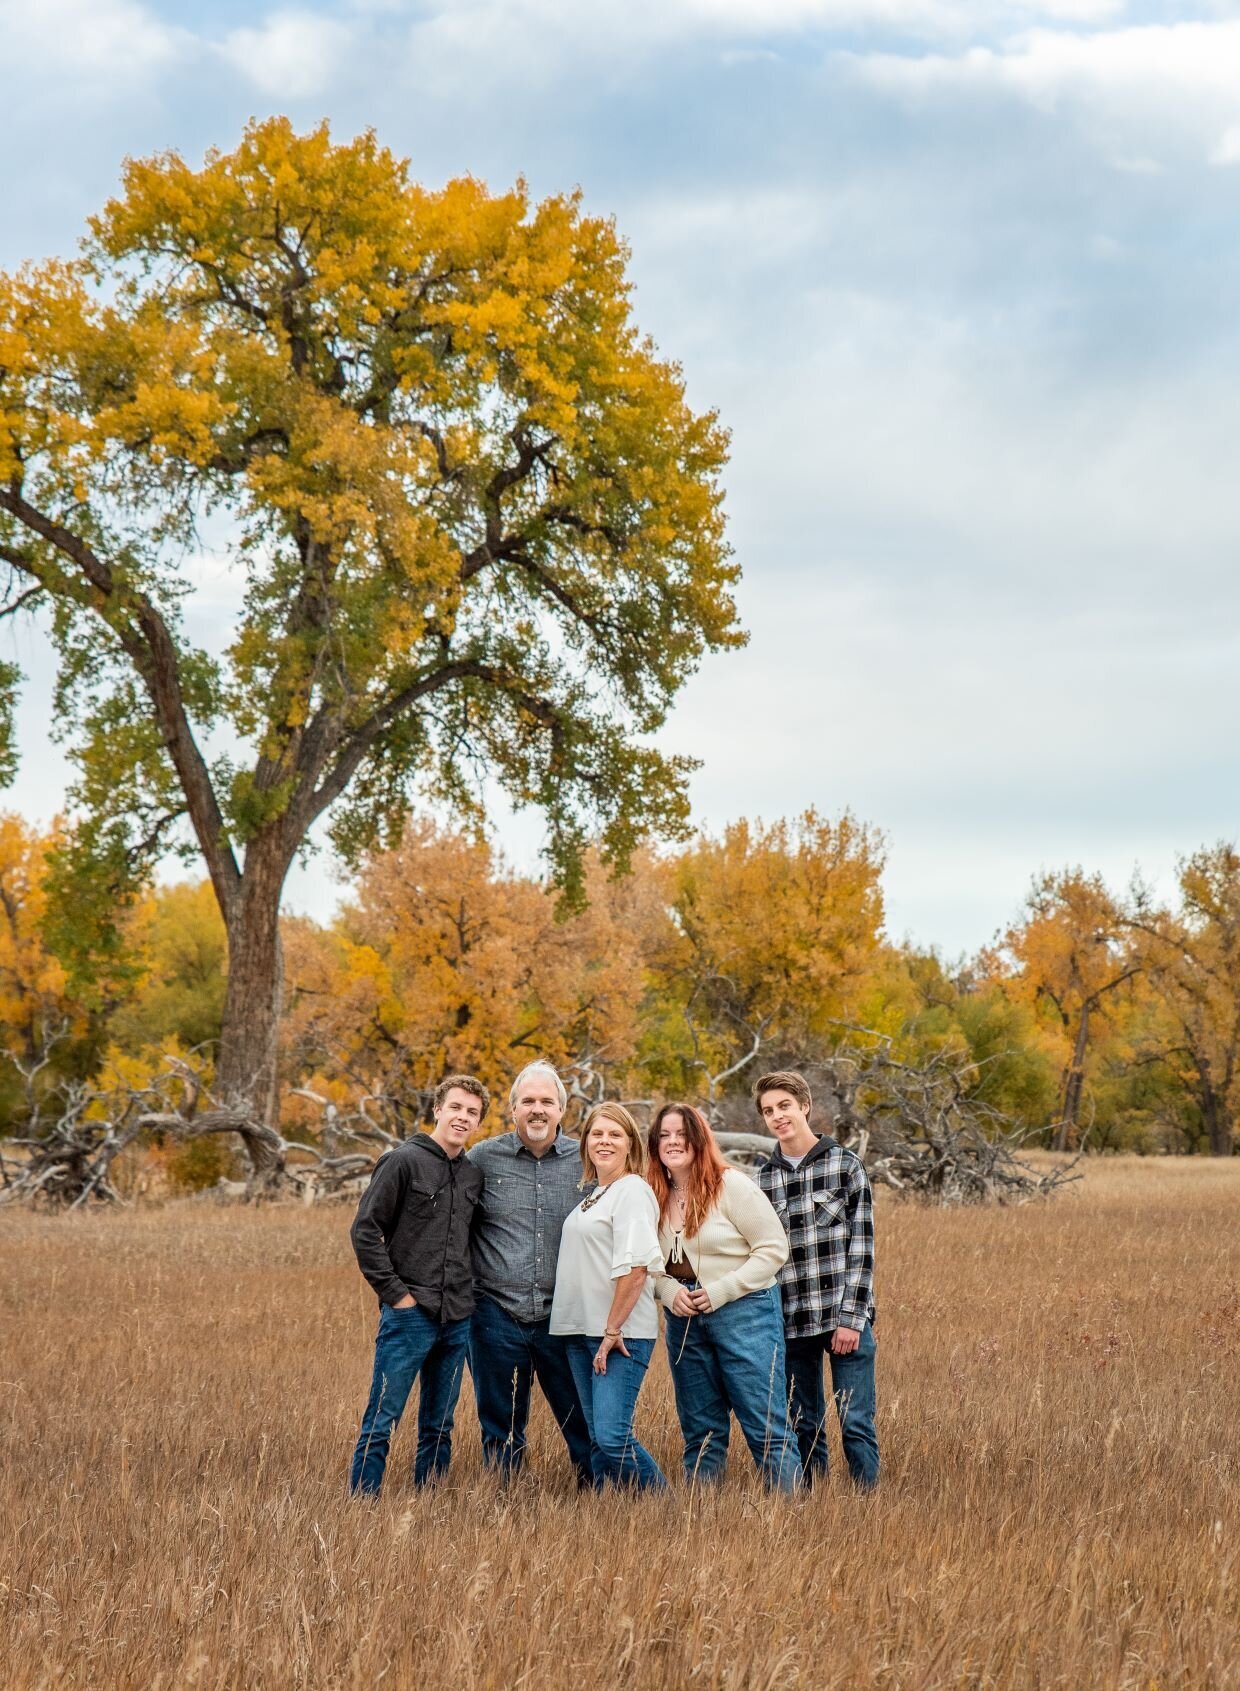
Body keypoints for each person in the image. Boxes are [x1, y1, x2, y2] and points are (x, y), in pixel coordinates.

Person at [648, 1102, 801, 1492]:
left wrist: (720, 1291)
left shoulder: (730, 1185)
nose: (672, 1142)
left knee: (766, 1425)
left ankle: (793, 1521)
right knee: (701, 1431)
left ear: (699, 1139)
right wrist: (667, 1291)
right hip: (684, 1319)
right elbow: (642, 1261)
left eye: (681, 1134)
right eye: (664, 1135)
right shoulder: (652, 1193)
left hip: (743, 1311)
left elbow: (772, 1249)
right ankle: (700, 1523)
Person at [348, 1075, 487, 1495]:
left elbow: (471, 1241)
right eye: (456, 1108)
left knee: (440, 1423)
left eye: (472, 1113)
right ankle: (361, 1503)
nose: (463, 1118)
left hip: (457, 1318)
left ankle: (428, 1504)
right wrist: (398, 1297)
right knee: (383, 1417)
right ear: (437, 1110)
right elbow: (365, 1231)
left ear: (479, 1122)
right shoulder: (402, 1161)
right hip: (410, 1316)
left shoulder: (472, 1175)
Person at [466, 1061, 593, 1487]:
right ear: (512, 1108)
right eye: (528, 1102)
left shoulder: (589, 1159)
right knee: (500, 1424)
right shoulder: (482, 1158)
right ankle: (505, 1503)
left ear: (562, 1108)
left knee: (581, 1420)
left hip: (566, 1315)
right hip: (496, 1314)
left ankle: (598, 1501)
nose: (537, 1110)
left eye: (546, 1102)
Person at [754, 1070, 879, 1489]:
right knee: (804, 1423)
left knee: (855, 1420)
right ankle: (813, 1510)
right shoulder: (762, 1179)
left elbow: (862, 1247)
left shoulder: (845, 1165)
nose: (777, 1116)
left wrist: (851, 1318)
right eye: (769, 1111)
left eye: (784, 1106)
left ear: (804, 1106)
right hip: (790, 1322)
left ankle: (867, 1508)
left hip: (843, 1318)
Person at [549, 1102, 668, 1491]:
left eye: (615, 1134)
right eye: (597, 1134)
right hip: (581, 1332)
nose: (604, 1141)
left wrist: (613, 1330)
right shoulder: (595, 1194)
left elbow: (637, 1268)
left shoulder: (632, 1190)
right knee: (599, 1440)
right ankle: (609, 1518)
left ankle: (669, 1511)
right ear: (585, 1144)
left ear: (631, 1144)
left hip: (618, 1336)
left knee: (615, 1437)